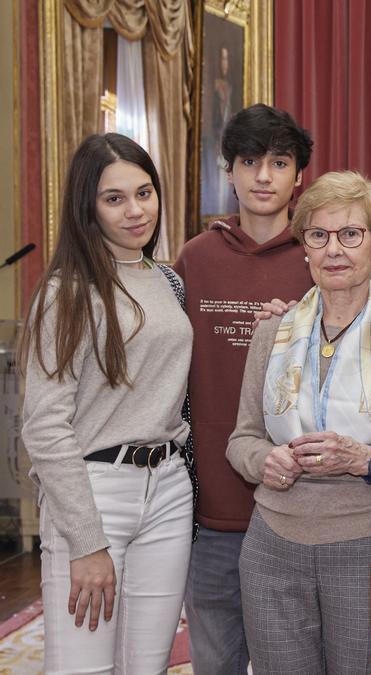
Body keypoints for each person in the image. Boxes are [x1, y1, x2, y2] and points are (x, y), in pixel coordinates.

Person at [226, 171, 371, 673]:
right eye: (319, 235)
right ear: (303, 245)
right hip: (272, 547)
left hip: (370, 547)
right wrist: (266, 460)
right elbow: (241, 439)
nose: (335, 250)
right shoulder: (273, 334)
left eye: (351, 234)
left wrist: (368, 460)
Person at [20, 133, 194, 672]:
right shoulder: (68, 291)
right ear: (87, 208)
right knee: (83, 667)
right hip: (95, 493)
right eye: (114, 199)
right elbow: (46, 425)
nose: (136, 210)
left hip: (168, 489)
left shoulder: (165, 278)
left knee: (147, 665)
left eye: (144, 192)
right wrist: (86, 541)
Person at [175, 103, 314, 674]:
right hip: (210, 513)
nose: (263, 176)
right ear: (226, 169)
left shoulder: (321, 259)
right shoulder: (193, 258)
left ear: (298, 174)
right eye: (249, 161)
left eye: (279, 162)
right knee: (217, 661)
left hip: (298, 507)